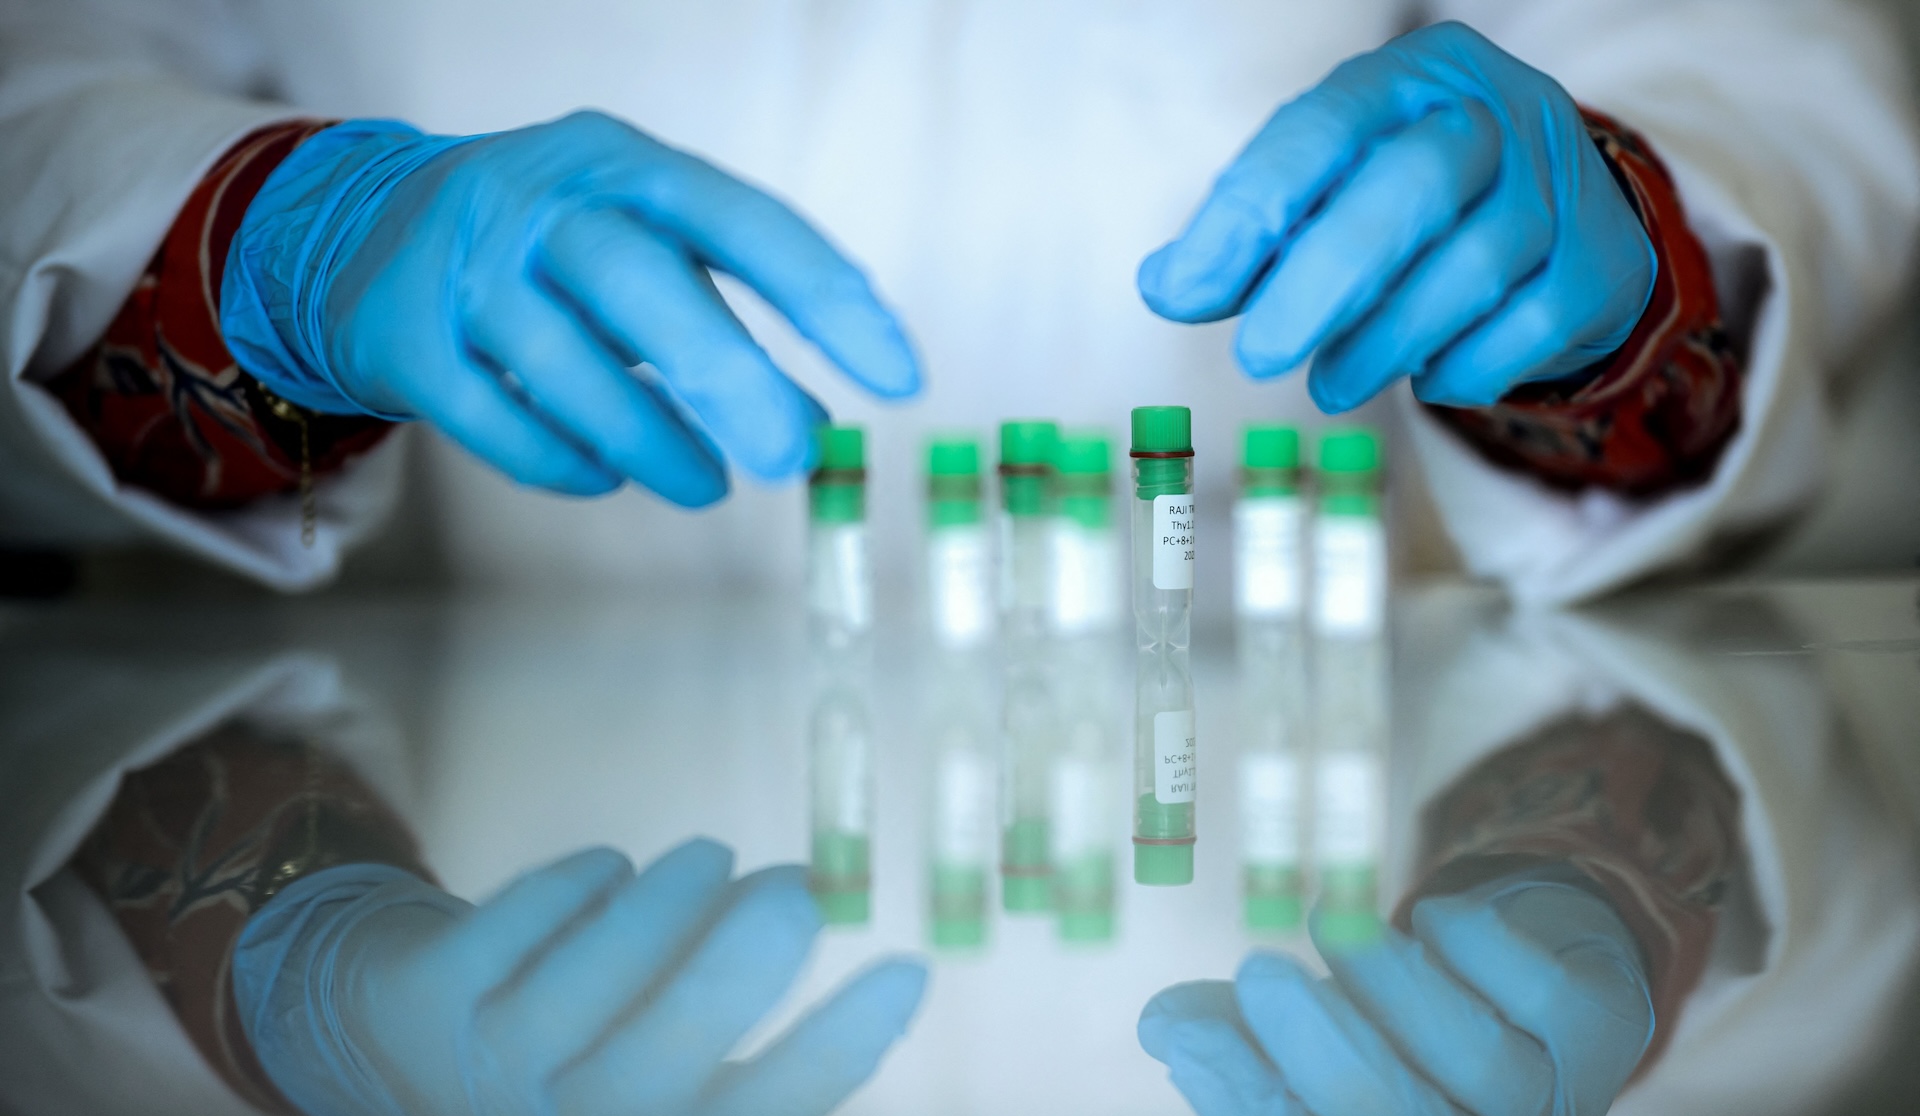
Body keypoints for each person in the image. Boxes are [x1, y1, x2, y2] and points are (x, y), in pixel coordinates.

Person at [1, 0, 1916, 603]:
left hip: (1239, 923)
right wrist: (259, 243)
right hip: (478, 856)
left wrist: (1626, 235)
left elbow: (1769, 85)